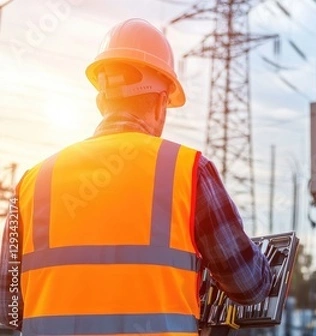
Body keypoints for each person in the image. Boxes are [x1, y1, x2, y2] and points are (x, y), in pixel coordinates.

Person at [0, 18, 272, 335]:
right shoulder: (188, 170)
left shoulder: (33, 183)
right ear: (160, 103)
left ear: (101, 99)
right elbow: (249, 286)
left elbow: (9, 308)